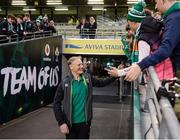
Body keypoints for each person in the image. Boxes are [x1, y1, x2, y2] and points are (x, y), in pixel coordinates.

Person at [124, 0, 180, 82]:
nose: (156, 7)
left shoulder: (175, 18)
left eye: (156, 2)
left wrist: (140, 65)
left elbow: (165, 49)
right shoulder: (173, 16)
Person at [53, 56, 93, 139]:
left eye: (82, 64)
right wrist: (61, 123)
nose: (82, 66)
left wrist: (117, 74)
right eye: (79, 65)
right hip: (70, 124)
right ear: (71, 66)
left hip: (85, 123)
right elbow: (56, 103)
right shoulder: (65, 83)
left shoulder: (87, 78)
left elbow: (102, 83)